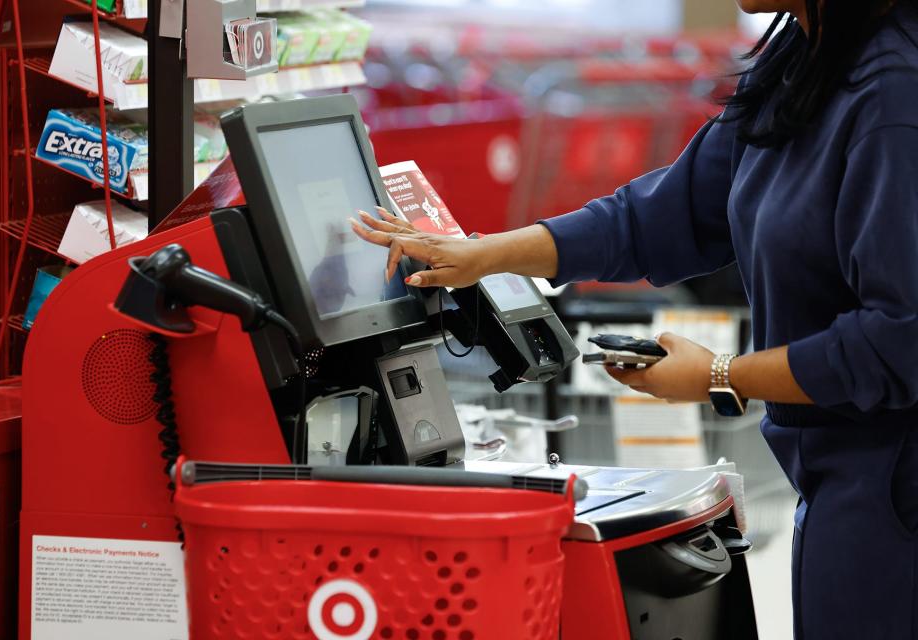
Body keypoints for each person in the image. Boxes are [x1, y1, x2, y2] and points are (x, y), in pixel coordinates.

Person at [351, 1, 918, 638]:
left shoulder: (894, 95)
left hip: (895, 489)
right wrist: (485, 254)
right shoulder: (804, 59)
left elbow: (900, 341)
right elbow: (657, 217)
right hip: (841, 482)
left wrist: (722, 374)